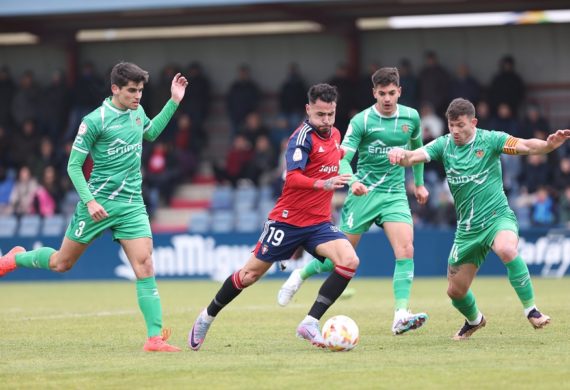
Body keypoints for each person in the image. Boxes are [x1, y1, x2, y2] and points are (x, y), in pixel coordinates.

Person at [0, 62, 189, 352]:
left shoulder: (137, 112)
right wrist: (89, 202)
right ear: (115, 89)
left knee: (145, 263)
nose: (137, 96)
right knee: (62, 263)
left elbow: (150, 133)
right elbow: (73, 166)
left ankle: (154, 338)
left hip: (131, 205)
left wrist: (173, 102)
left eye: (140, 90)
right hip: (97, 203)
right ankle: (16, 258)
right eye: (131, 91)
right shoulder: (95, 120)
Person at [188, 83, 359, 351]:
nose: (326, 121)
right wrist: (321, 184)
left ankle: (310, 322)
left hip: (318, 223)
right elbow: (292, 177)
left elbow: (335, 158)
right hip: (287, 221)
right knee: (248, 276)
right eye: (320, 115)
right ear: (308, 110)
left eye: (330, 114)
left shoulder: (335, 134)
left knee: (349, 260)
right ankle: (206, 317)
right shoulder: (300, 138)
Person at [387, 98, 567, 340]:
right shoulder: (444, 145)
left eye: (460, 125)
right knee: (455, 291)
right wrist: (402, 154)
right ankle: (475, 320)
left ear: (473, 122)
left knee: (506, 249)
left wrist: (547, 146)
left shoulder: (490, 140)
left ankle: (531, 309)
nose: (455, 131)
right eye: (451, 125)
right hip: (467, 230)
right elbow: (414, 156)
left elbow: (525, 145)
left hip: (497, 218)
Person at [278, 67, 430, 336]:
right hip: (363, 193)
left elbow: (416, 152)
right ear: (374, 93)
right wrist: (353, 181)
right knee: (339, 259)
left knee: (406, 249)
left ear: (399, 92)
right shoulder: (361, 121)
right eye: (381, 93)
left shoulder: (411, 117)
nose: (386, 98)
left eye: (391, 93)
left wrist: (418, 183)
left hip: (394, 194)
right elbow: (342, 157)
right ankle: (300, 274)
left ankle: (400, 314)